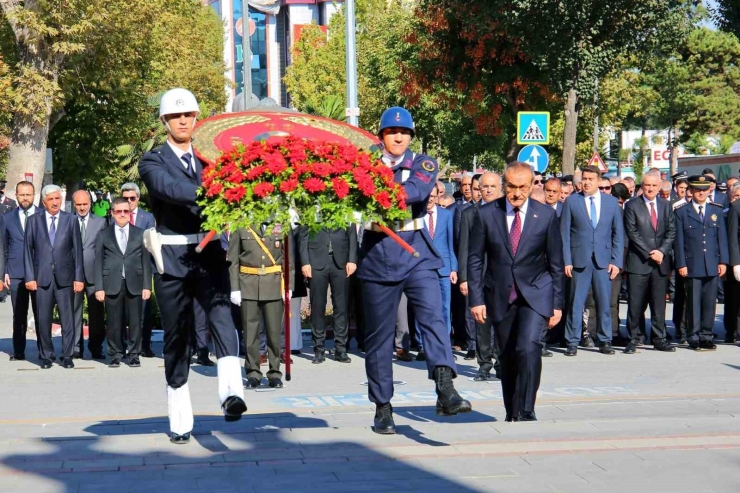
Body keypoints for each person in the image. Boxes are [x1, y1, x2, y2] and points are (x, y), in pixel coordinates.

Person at [138, 88, 246, 444]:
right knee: (177, 338)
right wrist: (215, 190)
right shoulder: (152, 161)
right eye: (175, 116)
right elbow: (167, 188)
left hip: (210, 253)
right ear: (165, 121)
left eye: (188, 115)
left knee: (222, 321)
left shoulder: (210, 158)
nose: (183, 121)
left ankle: (232, 395)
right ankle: (180, 418)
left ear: (196, 118)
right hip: (172, 260)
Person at [358, 106, 471, 434]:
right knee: (379, 338)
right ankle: (382, 406)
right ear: (381, 136)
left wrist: (371, 192)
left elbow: (418, 191)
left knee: (434, 316)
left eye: (404, 133)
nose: (398, 137)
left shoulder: (423, 162)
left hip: (416, 251)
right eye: (392, 132)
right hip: (377, 256)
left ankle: (445, 386)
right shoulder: (363, 163)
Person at [468, 161, 564, 422]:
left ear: (533, 185)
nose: (517, 193)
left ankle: (527, 407)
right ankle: (512, 410)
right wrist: (476, 299)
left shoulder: (546, 215)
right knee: (508, 353)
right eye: (511, 186)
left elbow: (555, 262)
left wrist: (557, 303)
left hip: (536, 292)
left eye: (523, 187)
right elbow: (475, 259)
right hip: (500, 293)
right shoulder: (487, 214)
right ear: (504, 185)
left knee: (529, 346)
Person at [560, 165, 624, 356]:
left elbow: (618, 235)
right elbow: (565, 234)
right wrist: (567, 260)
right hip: (579, 260)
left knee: (604, 302)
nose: (586, 182)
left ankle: (605, 340)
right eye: (584, 179)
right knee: (576, 302)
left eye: (590, 179)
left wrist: (616, 261)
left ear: (598, 181)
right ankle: (572, 340)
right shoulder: (572, 202)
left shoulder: (611, 203)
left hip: (603, 261)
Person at [23, 184, 84, 369]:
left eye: (57, 198)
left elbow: (77, 251)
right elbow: (27, 251)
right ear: (44, 202)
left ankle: (67, 355)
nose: (55, 202)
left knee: (68, 319)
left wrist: (79, 278)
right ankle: (46, 356)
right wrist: (30, 277)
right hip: (42, 279)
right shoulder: (34, 221)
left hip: (65, 278)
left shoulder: (70, 220)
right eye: (51, 199)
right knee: (43, 319)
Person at [229, 223, 294, 388]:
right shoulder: (241, 225)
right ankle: (253, 373)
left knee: (274, 332)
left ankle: (274, 373)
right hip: (248, 283)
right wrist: (235, 288)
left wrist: (289, 286)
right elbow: (233, 260)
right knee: (250, 333)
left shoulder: (281, 224)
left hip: (273, 283)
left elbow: (288, 259)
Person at [623, 171, 676, 354]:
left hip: (660, 263)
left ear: (659, 187)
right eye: (647, 185)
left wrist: (661, 251)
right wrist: (649, 252)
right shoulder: (632, 205)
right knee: (635, 303)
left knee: (658, 304)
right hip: (639, 261)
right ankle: (633, 338)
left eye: (654, 185)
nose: (651, 188)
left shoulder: (666, 205)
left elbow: (671, 231)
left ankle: (659, 338)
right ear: (642, 186)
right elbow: (632, 232)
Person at [94, 198, 151, 367]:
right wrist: (99, 287)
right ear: (112, 213)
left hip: (135, 282)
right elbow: (98, 262)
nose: (122, 215)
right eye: (118, 211)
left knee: (135, 321)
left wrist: (147, 285)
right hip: (112, 282)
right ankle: (115, 354)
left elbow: (146, 262)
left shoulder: (140, 233)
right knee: (113, 322)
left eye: (126, 211)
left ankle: (134, 354)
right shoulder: (104, 234)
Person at [674, 175, 728, 351]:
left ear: (709, 190)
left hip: (712, 264)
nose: (701, 193)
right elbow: (679, 242)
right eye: (698, 189)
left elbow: (722, 239)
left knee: (709, 303)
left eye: (705, 189)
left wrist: (723, 261)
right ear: (691, 190)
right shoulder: (682, 212)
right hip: (692, 265)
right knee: (693, 303)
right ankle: (694, 336)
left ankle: (707, 335)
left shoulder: (716, 211)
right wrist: (681, 263)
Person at [298, 225, 357, 364]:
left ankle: (340, 349)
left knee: (341, 307)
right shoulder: (312, 206)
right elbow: (303, 236)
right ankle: (319, 349)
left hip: (341, 262)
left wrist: (352, 259)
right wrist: (305, 262)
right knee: (318, 307)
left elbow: (352, 235)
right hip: (316, 261)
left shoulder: (344, 205)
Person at [415, 185, 458, 361]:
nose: (430, 199)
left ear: (438, 196)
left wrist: (453, 268)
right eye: (427, 196)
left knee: (445, 308)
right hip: (422, 268)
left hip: (444, 269)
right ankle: (422, 345)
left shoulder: (447, 215)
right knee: (423, 307)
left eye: (433, 196)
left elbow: (451, 243)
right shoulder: (416, 216)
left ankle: (444, 345)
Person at [120, 183, 158, 358]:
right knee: (122, 310)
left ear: (138, 198)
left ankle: (145, 344)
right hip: (121, 269)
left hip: (142, 269)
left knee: (143, 310)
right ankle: (123, 344)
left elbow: (151, 244)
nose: (129, 202)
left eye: (132, 198)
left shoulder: (147, 218)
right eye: (125, 198)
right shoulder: (117, 216)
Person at [2, 181, 38, 361]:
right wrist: (4, 272)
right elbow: (3, 247)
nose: (25, 198)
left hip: (39, 272)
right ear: (16, 195)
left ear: (34, 195)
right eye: (22, 194)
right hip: (16, 272)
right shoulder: (7, 218)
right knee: (19, 314)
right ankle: (18, 351)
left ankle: (44, 350)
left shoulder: (42, 215)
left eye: (28, 194)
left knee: (41, 312)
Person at [71, 190, 107, 360]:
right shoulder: (68, 221)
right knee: (74, 312)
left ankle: (96, 347)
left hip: (94, 273)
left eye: (85, 204)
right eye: (78, 205)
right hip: (74, 274)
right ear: (74, 205)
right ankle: (76, 347)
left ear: (90, 204)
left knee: (96, 314)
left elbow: (104, 248)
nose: (82, 208)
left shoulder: (100, 222)